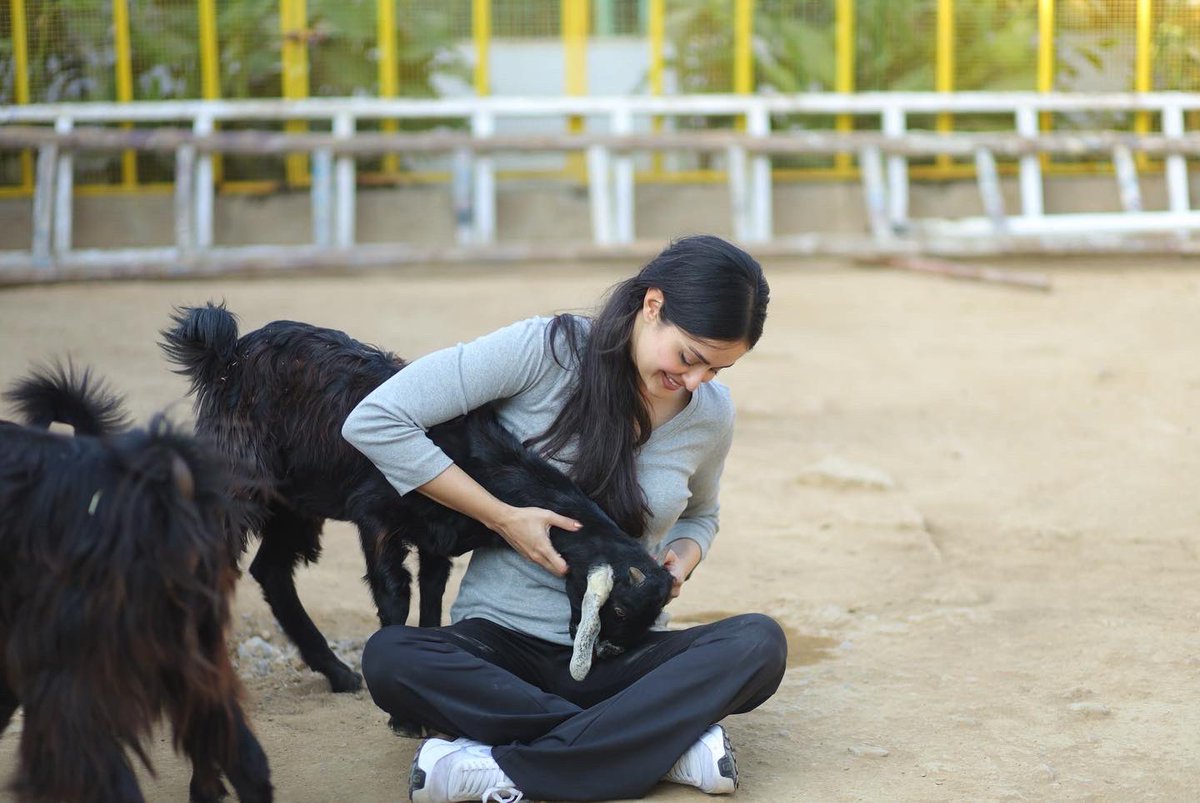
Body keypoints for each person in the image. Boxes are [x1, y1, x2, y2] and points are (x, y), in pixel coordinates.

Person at [342, 234, 787, 803]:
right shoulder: (545, 351)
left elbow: (701, 513)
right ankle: (661, 746)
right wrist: (502, 517)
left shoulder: (709, 416)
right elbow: (377, 420)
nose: (698, 382)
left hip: (622, 653)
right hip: (501, 646)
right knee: (392, 658)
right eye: (690, 357)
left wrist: (684, 558)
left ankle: (499, 768)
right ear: (653, 306)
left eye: (718, 371)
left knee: (759, 643)